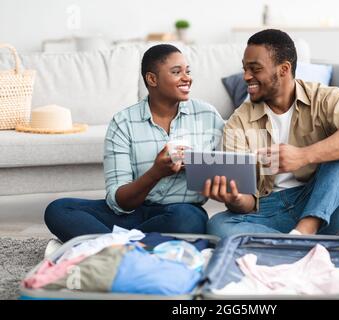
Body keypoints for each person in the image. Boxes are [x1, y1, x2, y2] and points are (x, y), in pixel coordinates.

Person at [204, 29, 339, 238]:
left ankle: (304, 231)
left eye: (255, 69)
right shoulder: (238, 122)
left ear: (284, 69)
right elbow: (248, 202)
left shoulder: (323, 98)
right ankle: (301, 242)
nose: (246, 76)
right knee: (218, 225)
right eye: (245, 69)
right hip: (269, 209)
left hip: (324, 203)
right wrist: (234, 198)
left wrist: (303, 156)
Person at [44, 44, 224, 247]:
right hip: (131, 214)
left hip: (178, 214)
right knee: (58, 209)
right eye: (176, 72)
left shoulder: (207, 115)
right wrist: (156, 172)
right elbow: (119, 202)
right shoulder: (123, 122)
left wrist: (198, 165)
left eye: (187, 71)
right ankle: (134, 246)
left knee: (190, 220)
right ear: (152, 79)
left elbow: (229, 166)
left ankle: (111, 246)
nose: (187, 78)